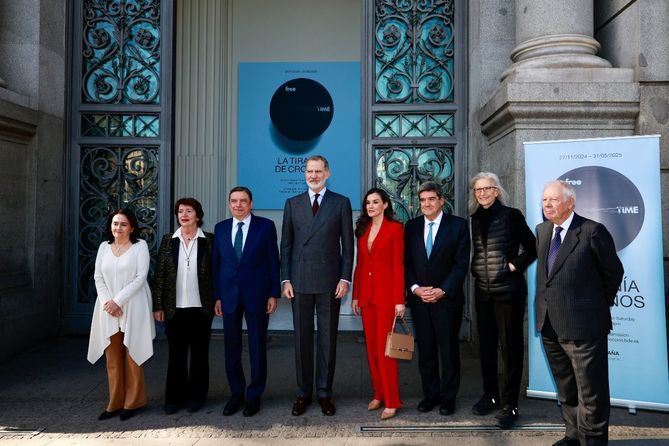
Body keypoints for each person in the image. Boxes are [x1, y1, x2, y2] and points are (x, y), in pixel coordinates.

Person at [536, 181, 623, 446]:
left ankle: (593, 442)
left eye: (553, 200)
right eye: (544, 200)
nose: (547, 205)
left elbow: (613, 273)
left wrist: (593, 306)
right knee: (566, 388)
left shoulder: (591, 231)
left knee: (591, 393)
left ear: (570, 203)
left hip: (584, 327)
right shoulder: (542, 231)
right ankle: (572, 436)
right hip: (549, 325)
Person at [280, 155, 354, 416]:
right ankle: (303, 394)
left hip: (330, 282)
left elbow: (348, 245)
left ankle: (325, 393)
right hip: (299, 281)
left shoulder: (341, 203)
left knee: (327, 339)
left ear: (328, 173)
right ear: (305, 174)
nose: (313, 175)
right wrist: (285, 279)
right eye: (309, 171)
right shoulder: (293, 203)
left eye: (318, 171)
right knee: (301, 341)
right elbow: (286, 245)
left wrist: (345, 279)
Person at [468, 172, 537, 428]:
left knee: (510, 349)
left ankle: (510, 403)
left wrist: (513, 266)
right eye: (478, 190)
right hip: (483, 292)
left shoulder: (512, 215)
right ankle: (491, 396)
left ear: (496, 191)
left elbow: (533, 246)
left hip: (509, 292)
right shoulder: (475, 219)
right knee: (486, 348)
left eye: (487, 189)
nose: (482, 193)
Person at [213, 186, 280, 417]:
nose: (238, 205)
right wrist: (218, 296)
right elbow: (216, 265)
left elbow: (274, 260)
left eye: (243, 201)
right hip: (229, 296)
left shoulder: (265, 226)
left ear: (251, 203)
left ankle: (254, 395)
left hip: (258, 295)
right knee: (231, 347)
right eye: (234, 201)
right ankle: (236, 394)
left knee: (256, 346)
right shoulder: (220, 228)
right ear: (229, 203)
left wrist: (273, 293)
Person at [404, 181, 470, 416]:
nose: (426, 204)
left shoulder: (458, 226)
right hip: (420, 301)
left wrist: (442, 290)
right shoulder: (411, 227)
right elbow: (407, 264)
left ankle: (448, 398)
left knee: (449, 351)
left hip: (447, 301)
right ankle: (430, 395)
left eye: (431, 199)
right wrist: (415, 289)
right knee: (427, 351)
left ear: (442, 200)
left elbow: (461, 264)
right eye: (422, 200)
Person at [87, 208, 155, 421]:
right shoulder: (103, 247)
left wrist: (118, 301)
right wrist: (109, 301)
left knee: (133, 353)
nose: (118, 228)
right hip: (107, 307)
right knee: (112, 357)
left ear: (132, 227)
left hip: (133, 305)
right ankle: (114, 402)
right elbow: (98, 276)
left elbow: (140, 277)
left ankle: (133, 402)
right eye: (115, 224)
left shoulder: (140, 246)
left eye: (123, 224)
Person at [152, 198, 214, 414]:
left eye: (189, 211)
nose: (184, 215)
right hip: (174, 309)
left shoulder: (210, 241)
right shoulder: (169, 241)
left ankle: (196, 398)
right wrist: (158, 305)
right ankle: (174, 399)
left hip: (201, 308)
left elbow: (217, 275)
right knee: (175, 356)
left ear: (198, 215)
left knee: (199, 355)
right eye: (180, 211)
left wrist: (218, 301)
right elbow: (159, 275)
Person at [351, 188, 405, 421]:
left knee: (387, 351)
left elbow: (398, 266)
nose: (370, 206)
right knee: (372, 349)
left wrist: (399, 300)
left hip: (386, 299)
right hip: (367, 298)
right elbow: (361, 265)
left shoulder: (395, 229)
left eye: (375, 202)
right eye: (367, 203)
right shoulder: (363, 230)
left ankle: (392, 400)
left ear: (385, 204)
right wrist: (355, 295)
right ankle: (378, 393)